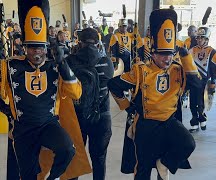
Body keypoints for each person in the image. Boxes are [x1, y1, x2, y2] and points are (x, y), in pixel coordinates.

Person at [1, 0, 91, 179]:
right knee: (27, 175)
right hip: (23, 128)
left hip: (48, 124)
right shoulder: (9, 66)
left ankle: (54, 177)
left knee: (67, 149)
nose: (36, 52)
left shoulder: (56, 67)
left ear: (46, 47)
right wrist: (9, 114)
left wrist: (63, 63)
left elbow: (76, 93)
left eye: (40, 47)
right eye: (31, 47)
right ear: (24, 47)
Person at [108, 9, 200, 180]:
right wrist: (128, 108)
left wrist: (185, 55)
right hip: (146, 125)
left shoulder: (178, 69)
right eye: (163, 55)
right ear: (153, 53)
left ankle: (164, 164)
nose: (167, 59)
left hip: (169, 121)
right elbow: (113, 84)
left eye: (170, 54)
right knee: (142, 168)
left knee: (188, 144)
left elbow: (196, 84)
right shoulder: (140, 70)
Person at [67, 28, 114, 180]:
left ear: (79, 42)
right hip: (101, 117)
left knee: (74, 160)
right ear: (98, 42)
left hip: (77, 117)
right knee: (99, 159)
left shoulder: (69, 61)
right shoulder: (105, 61)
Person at [188, 26, 216, 132]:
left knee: (201, 102)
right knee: (192, 102)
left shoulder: (212, 51)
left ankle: (202, 118)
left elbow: (215, 68)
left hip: (205, 81)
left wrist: (213, 82)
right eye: (198, 37)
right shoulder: (192, 50)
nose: (199, 39)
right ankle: (194, 122)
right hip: (193, 80)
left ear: (207, 39)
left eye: (202, 37)